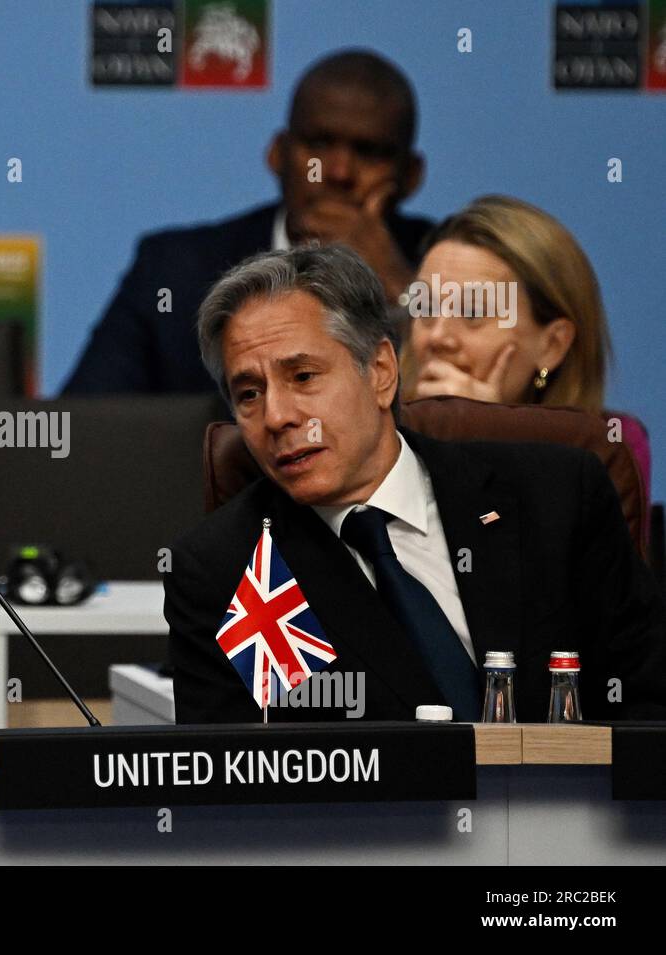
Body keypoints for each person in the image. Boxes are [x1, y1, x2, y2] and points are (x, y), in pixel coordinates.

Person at [166, 245, 666, 723]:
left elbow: (647, 705)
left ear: (381, 372)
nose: (276, 417)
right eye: (249, 393)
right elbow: (237, 781)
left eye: (303, 376)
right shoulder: (228, 573)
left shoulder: (556, 496)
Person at [63, 49, 433, 395]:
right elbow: (88, 428)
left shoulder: (447, 263)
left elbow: (460, 432)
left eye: (369, 153)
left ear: (411, 175)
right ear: (277, 154)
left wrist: (398, 290)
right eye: (319, 144)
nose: (337, 172)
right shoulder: (175, 272)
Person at [402, 193, 651, 496]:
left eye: (473, 312)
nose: (438, 336)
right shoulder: (370, 432)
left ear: (552, 345)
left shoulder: (608, 447)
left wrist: (487, 438)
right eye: (425, 308)